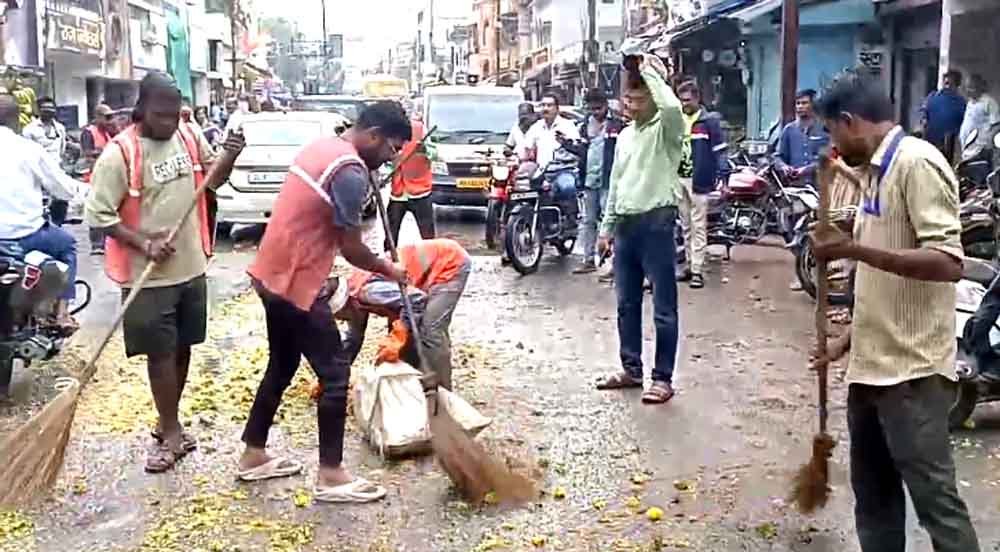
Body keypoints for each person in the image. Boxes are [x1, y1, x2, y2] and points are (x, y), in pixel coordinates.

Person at [811, 69, 980, 552]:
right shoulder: (873, 173)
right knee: (875, 500)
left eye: (832, 132)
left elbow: (948, 262)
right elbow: (882, 269)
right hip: (871, 370)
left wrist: (852, 251)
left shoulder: (916, 164)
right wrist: (846, 340)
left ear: (849, 121)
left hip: (912, 374)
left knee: (936, 505)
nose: (833, 144)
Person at [237, 101, 410, 504]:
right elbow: (352, 249)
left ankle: (253, 454)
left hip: (272, 272)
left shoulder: (324, 147)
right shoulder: (349, 172)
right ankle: (331, 476)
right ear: (372, 135)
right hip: (297, 281)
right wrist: (390, 270)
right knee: (334, 375)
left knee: (282, 365)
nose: (392, 156)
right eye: (390, 148)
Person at [85, 73, 245, 473]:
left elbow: (214, 179)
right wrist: (144, 242)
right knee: (160, 354)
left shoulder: (188, 136)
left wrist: (230, 155)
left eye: (175, 114)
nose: (169, 122)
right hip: (148, 276)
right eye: (160, 114)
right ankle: (172, 433)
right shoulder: (120, 154)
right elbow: (99, 215)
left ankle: (167, 421)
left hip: (190, 267)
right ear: (142, 109)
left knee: (184, 347)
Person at [594, 54, 684, 405]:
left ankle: (662, 378)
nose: (630, 106)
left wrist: (648, 71)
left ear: (652, 98)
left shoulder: (667, 130)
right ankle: (631, 370)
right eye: (628, 99)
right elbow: (616, 184)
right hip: (627, 227)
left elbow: (672, 107)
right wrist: (606, 228)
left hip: (657, 223)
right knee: (626, 303)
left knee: (664, 307)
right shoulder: (626, 136)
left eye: (638, 99)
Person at [337, 238, 471, 391]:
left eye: (341, 316)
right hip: (419, 277)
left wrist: (399, 334)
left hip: (448, 262)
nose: (343, 320)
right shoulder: (354, 296)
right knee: (404, 330)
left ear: (345, 306)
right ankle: (411, 384)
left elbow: (416, 300)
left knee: (430, 332)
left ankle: (441, 393)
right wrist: (334, 377)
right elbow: (353, 340)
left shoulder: (368, 292)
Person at [0, 93, 84, 331]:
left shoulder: (53, 132)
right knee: (67, 244)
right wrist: (87, 192)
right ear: (17, 121)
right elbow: (64, 189)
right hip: (27, 234)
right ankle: (62, 314)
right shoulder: (28, 149)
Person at [562, 89, 623, 274]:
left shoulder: (617, 125)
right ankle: (588, 260)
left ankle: (614, 263)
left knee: (609, 220)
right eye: (592, 109)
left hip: (608, 180)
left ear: (606, 105)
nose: (596, 112)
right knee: (588, 221)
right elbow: (583, 151)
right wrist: (567, 145)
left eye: (599, 108)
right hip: (590, 180)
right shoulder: (584, 126)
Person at [676, 81, 727, 289]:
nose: (685, 104)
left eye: (688, 100)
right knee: (685, 225)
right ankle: (689, 264)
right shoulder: (678, 120)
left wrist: (724, 176)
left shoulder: (709, 122)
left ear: (697, 99)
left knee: (698, 226)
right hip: (679, 178)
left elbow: (720, 151)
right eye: (682, 100)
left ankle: (697, 270)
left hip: (700, 179)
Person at [524, 92, 581, 226]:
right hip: (541, 172)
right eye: (543, 105)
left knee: (567, 187)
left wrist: (566, 142)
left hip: (563, 170)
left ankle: (570, 219)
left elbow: (576, 147)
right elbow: (525, 148)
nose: (546, 108)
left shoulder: (567, 126)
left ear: (557, 108)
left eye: (549, 105)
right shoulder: (536, 127)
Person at [386, 115, 435, 248]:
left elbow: (434, 153)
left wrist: (425, 150)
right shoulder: (389, 131)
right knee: (390, 234)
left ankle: (431, 262)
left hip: (420, 191)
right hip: (398, 192)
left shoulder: (420, 130)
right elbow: (384, 161)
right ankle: (389, 262)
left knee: (427, 236)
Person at [81, 103, 118, 255]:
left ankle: (109, 241)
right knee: (96, 210)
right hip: (93, 175)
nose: (111, 120)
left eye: (112, 117)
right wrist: (105, 152)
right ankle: (97, 244)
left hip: (110, 175)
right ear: (97, 117)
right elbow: (87, 153)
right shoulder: (88, 132)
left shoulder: (110, 132)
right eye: (107, 117)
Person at [774, 89, 829, 187]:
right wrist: (784, 167)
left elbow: (830, 159)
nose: (800, 107)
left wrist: (808, 169)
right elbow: (779, 157)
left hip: (820, 187)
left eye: (804, 103)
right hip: (796, 187)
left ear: (813, 106)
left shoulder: (825, 130)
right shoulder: (789, 130)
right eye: (798, 103)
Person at [922, 70, 966, 163]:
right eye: (946, 83)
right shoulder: (933, 96)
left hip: (948, 144)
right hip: (930, 140)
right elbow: (924, 114)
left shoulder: (961, 102)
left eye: (950, 84)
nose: (947, 86)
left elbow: (963, 124)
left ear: (957, 85)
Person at [959, 74, 999, 167]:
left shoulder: (989, 102)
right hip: (967, 148)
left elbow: (996, 125)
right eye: (967, 87)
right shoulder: (970, 102)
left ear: (980, 87)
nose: (968, 90)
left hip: (980, 148)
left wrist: (989, 142)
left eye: (972, 88)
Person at [22, 96, 66, 162]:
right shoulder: (29, 129)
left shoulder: (60, 128)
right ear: (39, 110)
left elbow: (62, 150)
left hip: (57, 167)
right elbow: (26, 152)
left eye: (51, 108)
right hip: (39, 168)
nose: (49, 111)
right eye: (45, 108)